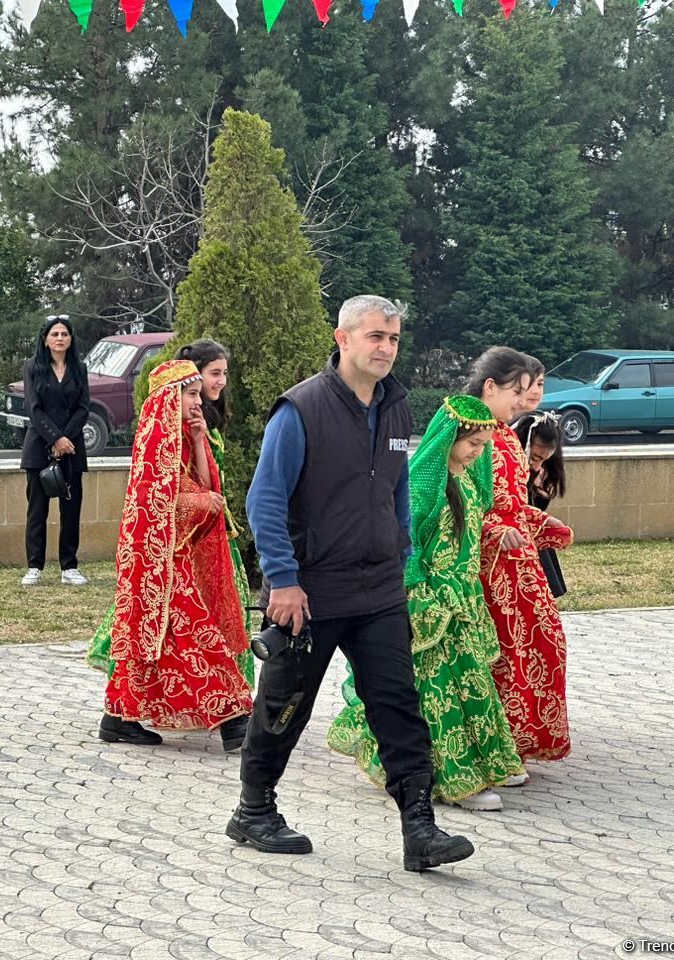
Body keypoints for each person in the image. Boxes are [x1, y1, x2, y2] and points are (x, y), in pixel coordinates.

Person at [228, 295, 474, 872]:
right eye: (374, 337)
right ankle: (254, 811)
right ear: (342, 339)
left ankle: (421, 830)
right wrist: (283, 582)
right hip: (310, 592)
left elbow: (395, 490)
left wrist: (403, 553)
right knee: (286, 704)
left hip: (380, 589)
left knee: (398, 704)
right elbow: (264, 500)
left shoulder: (396, 409)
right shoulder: (301, 409)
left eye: (393, 338)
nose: (386, 348)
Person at [328, 396, 526, 812]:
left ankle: (486, 762)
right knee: (437, 689)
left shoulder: (470, 481)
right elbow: (405, 539)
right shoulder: (424, 482)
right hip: (431, 600)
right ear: (449, 437)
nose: (478, 453)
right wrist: (421, 592)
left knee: (472, 681)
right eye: (472, 444)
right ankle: (452, 779)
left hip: (463, 597)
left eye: (484, 446)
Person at [86, 338, 255, 692]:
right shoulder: (160, 439)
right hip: (174, 549)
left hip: (202, 536)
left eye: (224, 374)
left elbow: (209, 484)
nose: (220, 382)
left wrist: (198, 441)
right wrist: (202, 503)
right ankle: (228, 713)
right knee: (182, 628)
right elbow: (159, 499)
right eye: (214, 374)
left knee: (192, 628)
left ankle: (129, 711)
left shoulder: (195, 427)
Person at [466, 347, 574, 769]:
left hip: (519, 561)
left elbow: (510, 501)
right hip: (484, 566)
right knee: (503, 652)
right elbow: (453, 498)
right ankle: (494, 748)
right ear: (490, 387)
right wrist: (493, 530)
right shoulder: (468, 430)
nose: (523, 401)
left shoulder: (507, 434)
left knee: (544, 643)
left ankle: (520, 739)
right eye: (518, 390)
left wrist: (542, 524)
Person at [19, 316, 90, 587]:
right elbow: (33, 408)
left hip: (72, 448)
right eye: (54, 334)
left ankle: (69, 566)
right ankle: (34, 566)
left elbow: (84, 407)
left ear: (71, 339)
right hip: (40, 447)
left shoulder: (79, 368)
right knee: (37, 508)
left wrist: (66, 439)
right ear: (46, 339)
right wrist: (55, 439)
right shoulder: (34, 368)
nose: (60, 338)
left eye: (64, 334)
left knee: (71, 509)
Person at [512, 411, 568, 598]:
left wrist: (540, 494)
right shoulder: (506, 459)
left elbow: (537, 510)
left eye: (544, 460)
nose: (537, 465)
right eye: (535, 457)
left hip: (532, 536)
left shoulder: (542, 472)